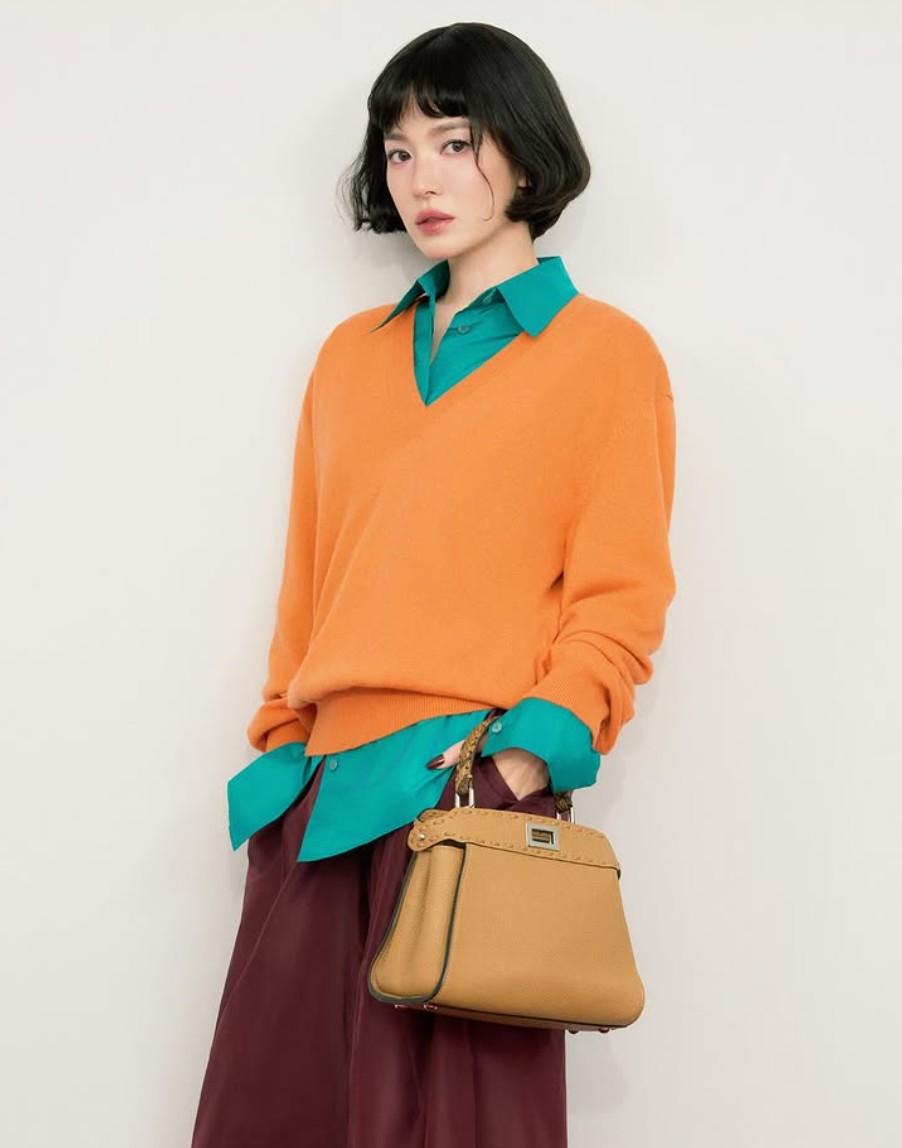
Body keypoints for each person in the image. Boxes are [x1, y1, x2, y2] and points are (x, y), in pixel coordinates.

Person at [191, 20, 677, 1148]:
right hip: (319, 799)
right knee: (278, 1120)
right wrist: (281, 743)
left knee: (461, 1129)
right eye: (399, 150)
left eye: (455, 142)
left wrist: (520, 762)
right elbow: (311, 575)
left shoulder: (605, 354)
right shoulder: (349, 356)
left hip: (472, 799)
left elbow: (620, 599)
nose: (422, 179)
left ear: (524, 150)